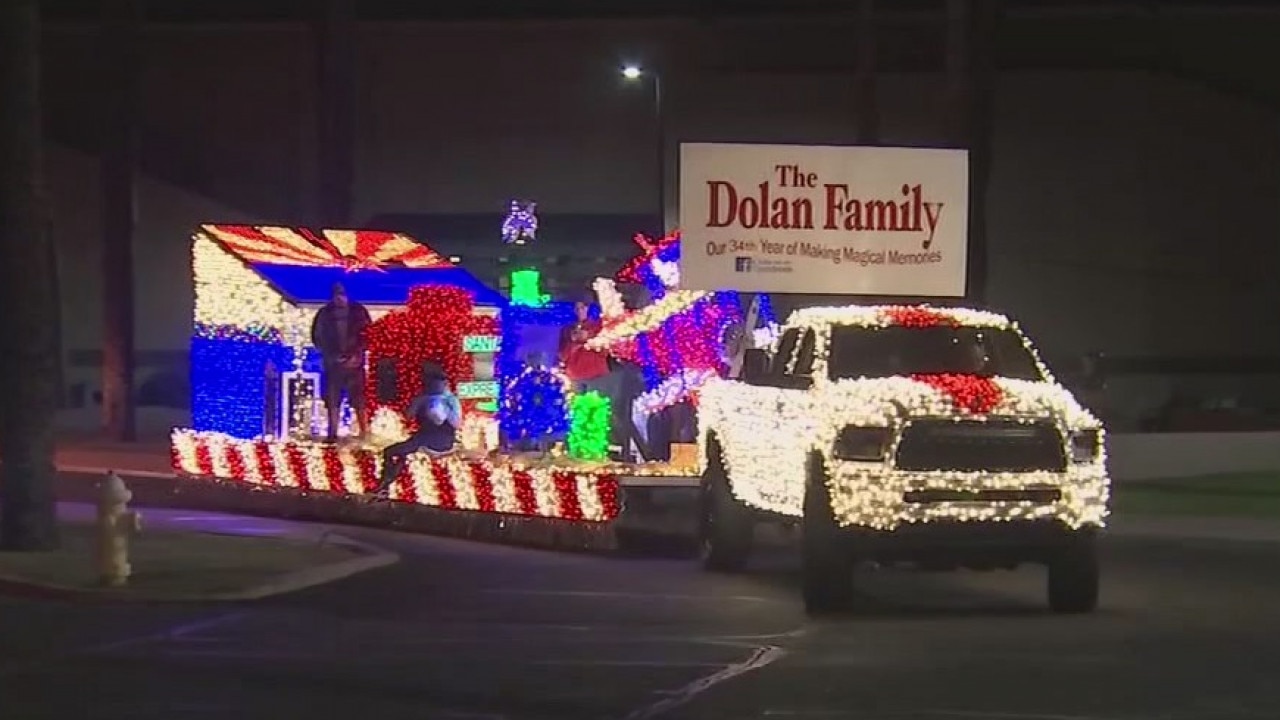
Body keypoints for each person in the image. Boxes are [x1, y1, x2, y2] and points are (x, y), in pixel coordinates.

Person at [374, 372, 461, 496]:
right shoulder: (423, 398)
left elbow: (456, 424)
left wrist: (445, 407)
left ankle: (385, 485)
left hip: (440, 439)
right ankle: (385, 485)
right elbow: (408, 416)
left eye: (439, 384)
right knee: (394, 452)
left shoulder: (451, 400)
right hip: (422, 437)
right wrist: (419, 402)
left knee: (395, 451)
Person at [310, 282, 372, 442]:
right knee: (332, 398)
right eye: (336, 295)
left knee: (359, 399)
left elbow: (368, 335)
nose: (339, 298)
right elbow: (318, 338)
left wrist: (356, 354)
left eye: (342, 294)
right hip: (333, 365)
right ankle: (333, 432)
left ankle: (364, 432)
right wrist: (331, 356)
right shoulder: (324, 314)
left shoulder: (359, 312)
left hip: (355, 363)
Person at [558, 296, 610, 394]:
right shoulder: (567, 330)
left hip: (597, 375)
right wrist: (574, 343)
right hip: (575, 376)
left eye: (582, 308)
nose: (580, 311)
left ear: (588, 308)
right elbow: (563, 356)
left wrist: (589, 337)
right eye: (577, 308)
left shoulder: (598, 327)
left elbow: (605, 351)